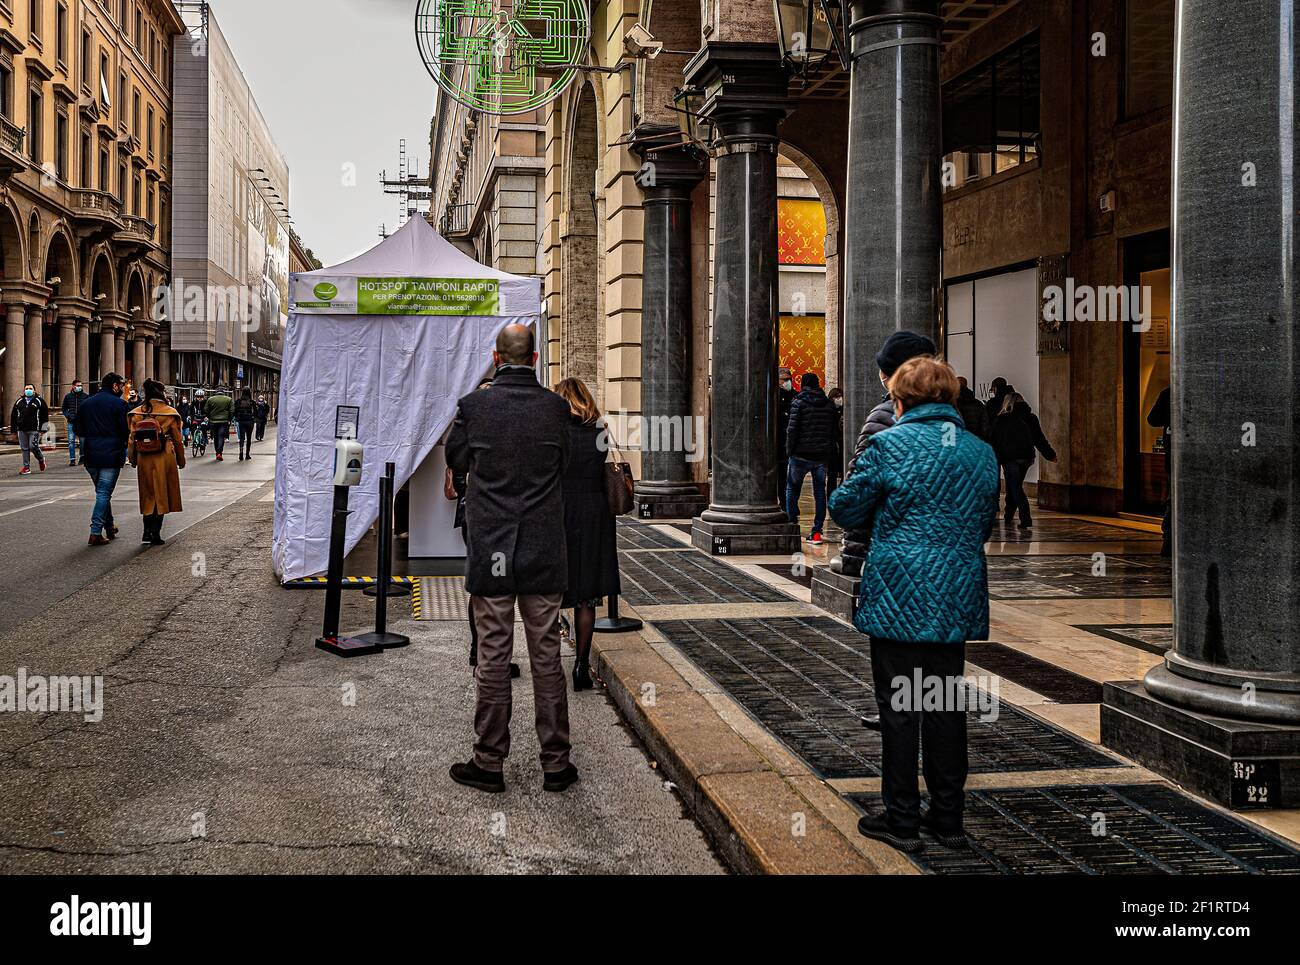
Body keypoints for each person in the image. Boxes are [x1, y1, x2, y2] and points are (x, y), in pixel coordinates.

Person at [828, 356, 999, 854]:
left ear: (900, 400)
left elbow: (844, 507)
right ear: (948, 398)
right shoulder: (980, 453)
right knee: (945, 705)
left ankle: (901, 817)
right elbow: (982, 522)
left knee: (900, 708)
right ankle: (948, 818)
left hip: (899, 591)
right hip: (954, 593)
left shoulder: (888, 444)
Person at [445, 323, 577, 794]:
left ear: (496, 359)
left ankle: (489, 760)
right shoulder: (557, 409)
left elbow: (457, 459)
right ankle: (556, 764)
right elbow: (564, 465)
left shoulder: (474, 407)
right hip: (543, 549)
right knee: (546, 655)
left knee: (494, 656)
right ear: (536, 358)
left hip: (494, 550)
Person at [831, 331, 936, 578]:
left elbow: (856, 495)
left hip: (890, 560)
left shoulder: (884, 417)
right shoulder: (960, 430)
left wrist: (853, 556)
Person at [553, 376, 621, 691]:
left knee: (553, 591)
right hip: (595, 515)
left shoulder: (556, 433)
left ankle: (550, 666)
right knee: (587, 598)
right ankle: (581, 667)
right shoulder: (600, 431)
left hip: (562, 513)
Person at [450, 378, 520, 679]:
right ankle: (486, 654)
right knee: (491, 585)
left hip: (481, 516)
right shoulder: (484, 430)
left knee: (489, 584)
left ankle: (483, 652)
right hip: (485, 517)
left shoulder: (479, 430)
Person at [127, 379, 186, 546]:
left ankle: (146, 530)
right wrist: (180, 460)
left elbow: (131, 439)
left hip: (144, 456)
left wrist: (132, 459)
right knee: (162, 492)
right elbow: (177, 440)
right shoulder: (170, 412)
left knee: (147, 492)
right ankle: (156, 533)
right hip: (164, 455)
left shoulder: (137, 413)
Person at [74, 373, 129, 545]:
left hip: (91, 455)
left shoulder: (86, 403)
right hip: (111, 454)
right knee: (104, 493)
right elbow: (125, 430)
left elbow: (78, 428)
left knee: (102, 493)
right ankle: (95, 531)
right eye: (121, 385)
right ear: (114, 386)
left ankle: (110, 526)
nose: (122, 389)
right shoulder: (120, 405)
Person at [785, 373, 838, 544]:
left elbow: (792, 430)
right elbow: (833, 432)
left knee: (792, 490)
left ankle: (792, 524)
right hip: (821, 455)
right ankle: (816, 531)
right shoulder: (829, 405)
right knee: (820, 493)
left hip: (800, 454)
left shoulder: (798, 403)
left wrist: (789, 450)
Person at [991, 392, 1056, 530]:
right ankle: (1008, 515)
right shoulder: (1031, 418)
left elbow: (996, 440)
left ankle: (1025, 517)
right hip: (1027, 457)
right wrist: (1049, 454)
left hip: (1009, 457)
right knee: (1015, 485)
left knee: (1014, 487)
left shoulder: (1002, 419)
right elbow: (1039, 438)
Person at [1147, 385, 1172, 556]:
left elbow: (1153, 419)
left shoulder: (1168, 393)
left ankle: (1169, 542)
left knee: (1174, 499)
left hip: (1173, 457)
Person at [10, 384, 49, 475]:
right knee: (24, 448)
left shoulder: (39, 401)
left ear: (34, 390)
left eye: (30, 389)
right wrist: (14, 430)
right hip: (21, 429)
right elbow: (14, 416)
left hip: (34, 429)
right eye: (26, 389)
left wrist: (43, 429)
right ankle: (26, 467)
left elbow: (45, 416)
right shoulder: (19, 401)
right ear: (24, 391)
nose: (28, 390)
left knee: (33, 446)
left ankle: (41, 459)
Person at [777, 367, 796, 510]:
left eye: (790, 379)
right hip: (780, 442)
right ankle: (784, 502)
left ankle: (791, 503)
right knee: (781, 475)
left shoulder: (796, 396)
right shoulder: (774, 396)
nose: (788, 382)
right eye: (785, 379)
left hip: (794, 442)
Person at [204, 386, 233, 461]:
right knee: (221, 437)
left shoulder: (210, 399)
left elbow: (206, 410)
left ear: (216, 392)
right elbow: (232, 411)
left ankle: (217, 452)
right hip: (224, 421)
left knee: (215, 437)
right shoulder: (229, 399)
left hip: (213, 421)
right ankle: (220, 453)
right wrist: (229, 419)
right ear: (223, 392)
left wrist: (209, 417)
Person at [61, 380, 86, 466]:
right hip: (71, 422)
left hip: (82, 423)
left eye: (81, 385)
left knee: (82, 441)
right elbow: (64, 408)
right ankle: (72, 459)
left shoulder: (85, 396)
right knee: (71, 441)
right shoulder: (68, 396)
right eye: (78, 385)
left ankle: (82, 456)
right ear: (73, 386)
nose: (79, 387)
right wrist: (68, 415)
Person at [955, 377, 988, 441]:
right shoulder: (978, 404)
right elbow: (985, 426)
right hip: (975, 439)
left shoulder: (951, 404)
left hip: (957, 441)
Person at [826, 387, 846, 493]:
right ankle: (831, 495)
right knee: (832, 474)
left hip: (841, 444)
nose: (840, 399)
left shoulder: (843, 409)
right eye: (837, 397)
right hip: (832, 446)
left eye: (841, 396)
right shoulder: (828, 410)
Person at [233, 388, 258, 461]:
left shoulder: (238, 401)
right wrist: (253, 418)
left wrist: (237, 418)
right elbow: (256, 412)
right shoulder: (252, 402)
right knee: (249, 438)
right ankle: (247, 454)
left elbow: (235, 411)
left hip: (241, 421)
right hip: (250, 421)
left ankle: (241, 453)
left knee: (242, 438)